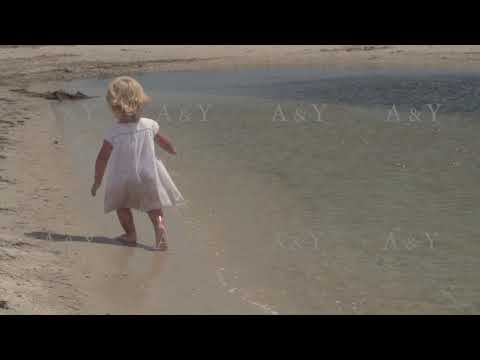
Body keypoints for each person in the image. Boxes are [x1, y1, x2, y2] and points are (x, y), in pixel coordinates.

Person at [91, 76, 184, 251]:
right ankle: (159, 228)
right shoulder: (149, 125)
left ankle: (130, 235)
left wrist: (97, 181)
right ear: (140, 101)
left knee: (122, 205)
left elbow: (102, 157)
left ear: (114, 107)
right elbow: (163, 141)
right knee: (154, 207)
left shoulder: (114, 132)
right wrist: (172, 149)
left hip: (123, 177)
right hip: (148, 175)